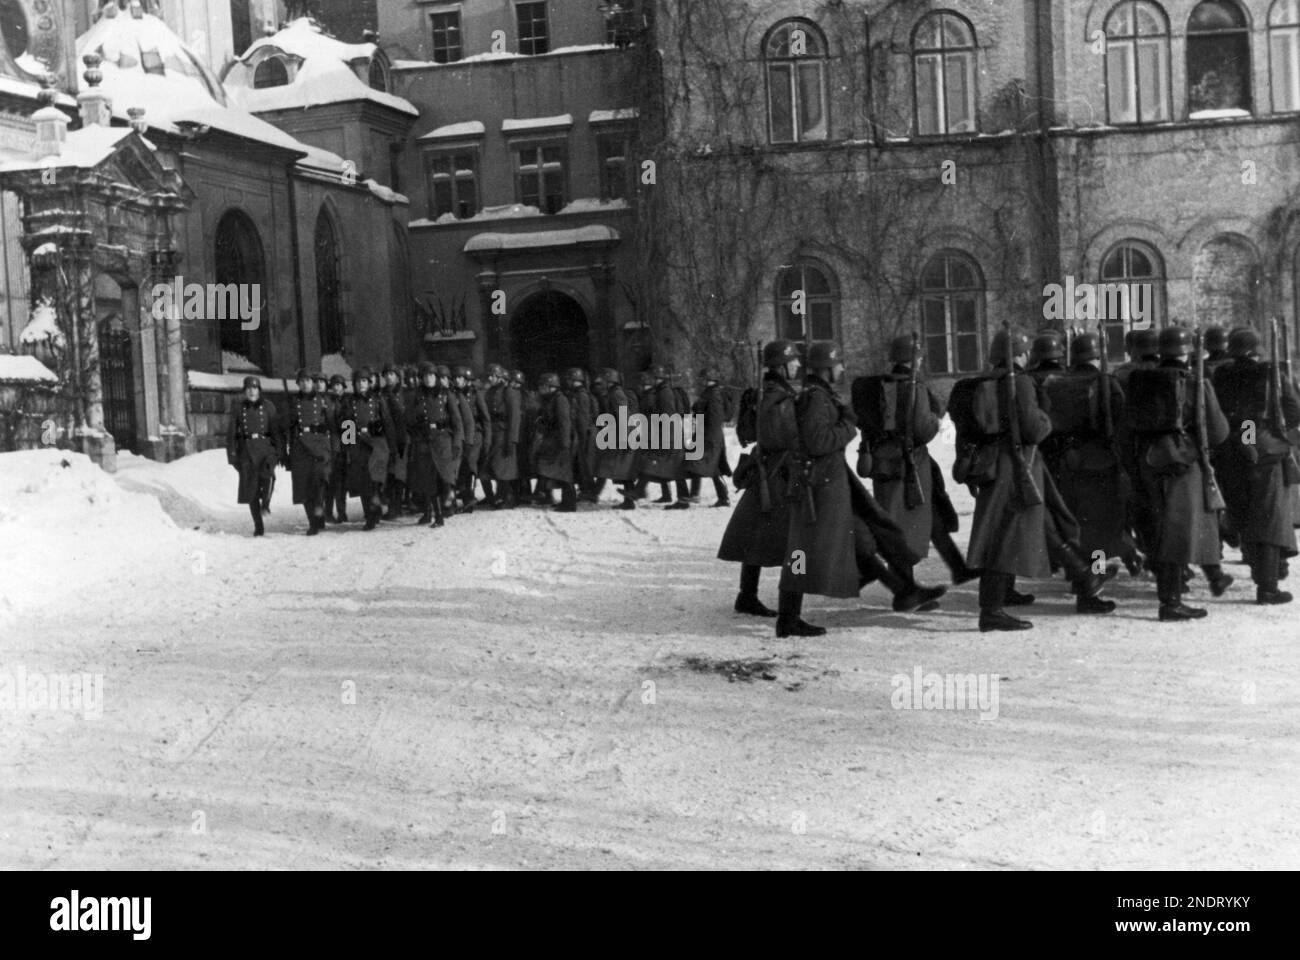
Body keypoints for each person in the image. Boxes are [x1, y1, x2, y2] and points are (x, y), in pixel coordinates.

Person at [778, 341, 947, 638]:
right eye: (838, 364)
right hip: (820, 487)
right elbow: (818, 441)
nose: (843, 369)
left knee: (865, 540)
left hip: (830, 483)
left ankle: (905, 591)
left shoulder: (818, 395)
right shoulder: (816, 399)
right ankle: (787, 618)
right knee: (800, 553)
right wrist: (848, 426)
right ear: (826, 369)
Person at [955, 329, 1114, 632]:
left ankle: (1085, 576)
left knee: (1046, 523)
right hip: (1019, 467)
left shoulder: (980, 383)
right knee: (1006, 534)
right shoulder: (1021, 383)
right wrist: (1046, 417)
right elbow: (1034, 429)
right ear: (1019, 353)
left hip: (1000, 466)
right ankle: (991, 611)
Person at [1121, 326, 1232, 620]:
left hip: (1148, 461)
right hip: (1183, 463)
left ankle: (1173, 594)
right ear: (1186, 352)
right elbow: (1219, 432)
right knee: (1177, 533)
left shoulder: (1140, 380)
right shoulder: (1195, 382)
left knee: (1160, 528)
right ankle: (1170, 602)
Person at [855, 334, 980, 586]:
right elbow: (924, 429)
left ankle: (957, 567)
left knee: (928, 515)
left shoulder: (879, 387)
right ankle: (905, 585)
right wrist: (935, 419)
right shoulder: (914, 387)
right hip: (910, 465)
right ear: (914, 360)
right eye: (919, 357)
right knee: (904, 523)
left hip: (885, 462)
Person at [1211, 327, 1300, 604]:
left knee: (1245, 513)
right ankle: (1268, 586)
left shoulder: (1220, 374)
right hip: (1261, 450)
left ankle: (1263, 571)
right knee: (1270, 518)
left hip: (1229, 451)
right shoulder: (1270, 373)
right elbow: (1292, 410)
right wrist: (1262, 437)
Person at [1044, 331, 1142, 575]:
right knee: (1101, 524)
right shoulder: (1105, 382)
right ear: (1098, 357)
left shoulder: (1058, 383)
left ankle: (1081, 571)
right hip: (1101, 460)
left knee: (1078, 520)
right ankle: (1095, 572)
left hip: (1068, 460)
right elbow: (1121, 422)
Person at [718, 341, 803, 617]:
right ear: (781, 365)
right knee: (795, 539)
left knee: (756, 536)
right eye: (793, 361)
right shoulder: (777, 396)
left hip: (767, 470)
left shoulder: (766, 392)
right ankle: (790, 609)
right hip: (779, 474)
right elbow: (785, 436)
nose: (798, 365)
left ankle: (747, 594)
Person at [340, 367, 397, 531]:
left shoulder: (378, 400)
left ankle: (376, 506)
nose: (361, 385)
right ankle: (370, 515)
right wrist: (348, 447)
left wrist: (391, 446)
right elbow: (347, 424)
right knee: (364, 481)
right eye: (358, 382)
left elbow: (387, 422)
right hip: (358, 444)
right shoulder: (349, 402)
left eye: (364, 381)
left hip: (377, 443)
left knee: (376, 480)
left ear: (369, 383)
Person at [406, 361, 462, 527]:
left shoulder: (446, 395)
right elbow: (407, 420)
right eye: (425, 376)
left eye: (431, 375)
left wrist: (457, 443)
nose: (428, 379)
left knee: (442, 478)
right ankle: (433, 514)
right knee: (427, 480)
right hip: (423, 440)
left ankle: (440, 511)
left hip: (442, 440)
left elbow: (457, 421)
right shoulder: (416, 396)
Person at [281, 367, 335, 535]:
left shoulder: (324, 401)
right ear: (298, 383)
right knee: (303, 486)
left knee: (319, 484)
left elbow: (336, 426)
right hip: (300, 447)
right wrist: (285, 453)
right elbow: (284, 428)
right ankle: (313, 521)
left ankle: (319, 511)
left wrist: (343, 447)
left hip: (320, 446)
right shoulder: (292, 403)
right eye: (302, 381)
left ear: (314, 383)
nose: (305, 384)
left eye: (308, 380)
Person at [226, 375, 280, 537]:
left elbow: (276, 431)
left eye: (254, 388)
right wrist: (232, 455)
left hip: (265, 448)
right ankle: (258, 525)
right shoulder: (238, 408)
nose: (251, 391)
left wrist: (278, 452)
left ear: (259, 390)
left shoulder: (268, 406)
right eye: (248, 388)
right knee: (251, 491)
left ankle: (266, 503)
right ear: (244, 391)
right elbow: (231, 434)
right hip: (247, 451)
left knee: (268, 477)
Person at [641, 364, 690, 508]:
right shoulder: (661, 391)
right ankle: (681, 498)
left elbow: (668, 415)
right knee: (674, 467)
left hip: (670, 434)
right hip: (669, 433)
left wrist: (664, 435)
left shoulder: (664, 392)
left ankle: (682, 500)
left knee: (673, 466)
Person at [594, 367, 641, 509]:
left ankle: (628, 501)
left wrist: (625, 436)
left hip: (623, 435)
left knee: (621, 468)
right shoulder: (612, 393)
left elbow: (623, 415)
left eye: (603, 381)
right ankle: (627, 500)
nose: (601, 383)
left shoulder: (616, 394)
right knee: (619, 469)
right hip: (619, 434)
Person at [686, 366, 732, 507]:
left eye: (704, 377)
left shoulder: (714, 394)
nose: (701, 380)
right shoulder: (709, 392)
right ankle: (695, 494)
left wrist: (707, 437)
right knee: (698, 462)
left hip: (709, 435)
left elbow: (715, 418)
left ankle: (722, 498)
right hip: (704, 433)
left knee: (710, 466)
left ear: (710, 378)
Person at [532, 372, 577, 512]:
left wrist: (565, 444)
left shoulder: (560, 399)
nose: (541, 388)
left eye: (543, 386)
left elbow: (564, 422)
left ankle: (569, 504)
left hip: (560, 440)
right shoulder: (551, 399)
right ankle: (560, 499)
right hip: (553, 439)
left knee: (564, 473)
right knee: (555, 470)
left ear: (551, 386)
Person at [483, 364, 521, 509]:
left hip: (504, 433)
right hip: (492, 432)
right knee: (490, 467)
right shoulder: (490, 392)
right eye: (489, 376)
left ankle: (507, 498)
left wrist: (512, 440)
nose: (490, 378)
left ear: (500, 377)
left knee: (504, 468)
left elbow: (514, 417)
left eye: (493, 376)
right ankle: (494, 497)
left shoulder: (508, 392)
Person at [564, 368, 599, 502]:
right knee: (581, 465)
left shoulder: (582, 395)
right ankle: (587, 491)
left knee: (584, 465)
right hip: (581, 433)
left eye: (569, 379)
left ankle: (589, 492)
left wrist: (582, 438)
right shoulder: (577, 394)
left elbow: (583, 418)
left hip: (584, 434)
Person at [380, 363, 408, 520]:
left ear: (398, 377)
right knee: (386, 474)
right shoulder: (380, 394)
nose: (389, 376)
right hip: (384, 438)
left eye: (392, 374)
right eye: (386, 374)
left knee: (397, 474)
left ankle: (396, 507)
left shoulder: (405, 394)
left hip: (402, 438)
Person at [452, 366, 480, 513]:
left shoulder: (474, 394)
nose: (457, 380)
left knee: (468, 467)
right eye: (455, 378)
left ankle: (468, 498)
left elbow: (481, 418)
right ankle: (464, 497)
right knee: (461, 468)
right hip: (460, 435)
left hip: (472, 435)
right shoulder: (454, 394)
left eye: (460, 378)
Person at [325, 374, 349, 523]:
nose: (336, 387)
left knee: (342, 482)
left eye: (339, 385)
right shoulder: (327, 402)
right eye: (334, 385)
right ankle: (328, 512)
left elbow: (350, 424)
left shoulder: (348, 402)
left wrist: (349, 445)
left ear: (343, 387)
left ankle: (342, 511)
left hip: (344, 445)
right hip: (330, 445)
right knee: (330, 481)